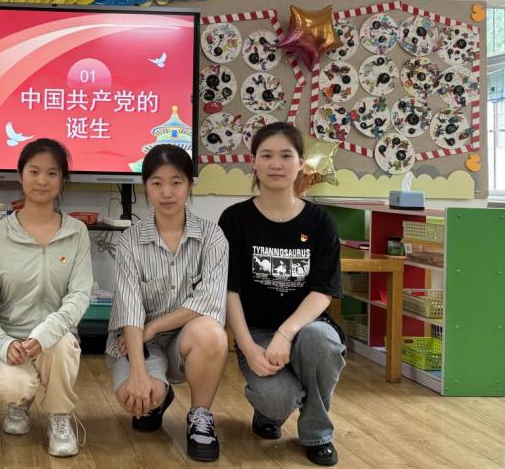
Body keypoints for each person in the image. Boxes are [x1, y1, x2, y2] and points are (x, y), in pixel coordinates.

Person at [218, 122, 345, 467]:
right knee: (277, 399)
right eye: (267, 155)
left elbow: (323, 291)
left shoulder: (320, 222)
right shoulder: (234, 219)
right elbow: (229, 290)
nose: (276, 164)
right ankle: (269, 413)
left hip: (306, 328)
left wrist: (287, 333)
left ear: (301, 163)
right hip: (256, 332)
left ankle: (317, 432)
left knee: (321, 342)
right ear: (254, 162)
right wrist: (247, 347)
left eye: (286, 156)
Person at [0, 138, 92, 457]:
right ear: (20, 175)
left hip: (57, 337)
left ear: (63, 179)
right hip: (10, 337)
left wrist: (47, 332)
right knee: (14, 386)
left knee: (61, 346)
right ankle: (18, 404)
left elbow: (80, 294)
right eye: (34, 171)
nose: (42, 180)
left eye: (52, 173)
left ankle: (59, 414)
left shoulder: (76, 232)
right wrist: (1, 342)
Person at [107, 144, 228, 462]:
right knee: (139, 399)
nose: (167, 192)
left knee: (211, 332)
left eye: (176, 182)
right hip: (138, 340)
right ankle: (160, 395)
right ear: (145, 186)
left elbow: (209, 301)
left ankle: (200, 417)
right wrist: (138, 372)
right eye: (156, 183)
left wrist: (155, 326)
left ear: (189, 184)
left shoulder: (212, 237)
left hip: (185, 338)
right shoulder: (130, 240)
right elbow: (130, 308)